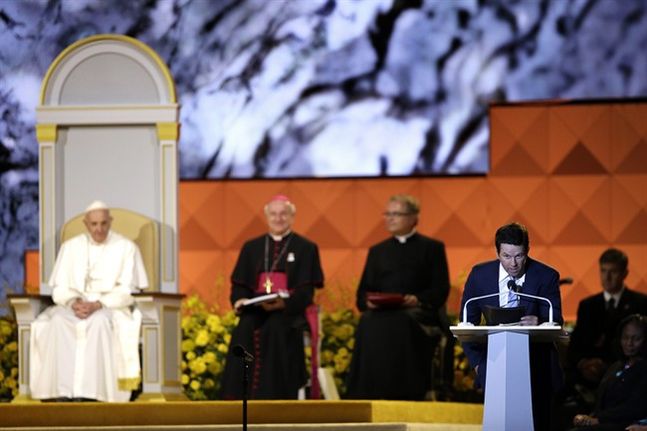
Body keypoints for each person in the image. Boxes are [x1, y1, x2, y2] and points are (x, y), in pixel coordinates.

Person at [30, 201, 148, 402]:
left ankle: (95, 394)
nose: (99, 229)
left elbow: (130, 290)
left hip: (110, 307)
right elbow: (59, 289)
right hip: (74, 306)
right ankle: (61, 392)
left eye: (103, 223)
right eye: (94, 224)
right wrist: (74, 301)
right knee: (58, 321)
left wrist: (98, 304)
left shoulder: (126, 247)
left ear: (110, 222)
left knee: (99, 322)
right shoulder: (70, 247)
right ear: (86, 224)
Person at [459, 222, 563, 431]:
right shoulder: (480, 276)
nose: (513, 263)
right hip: (494, 365)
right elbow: (466, 325)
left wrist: (541, 322)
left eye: (519, 256)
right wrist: (479, 364)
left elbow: (556, 319)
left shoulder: (546, 276)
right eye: (506, 256)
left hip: (537, 366)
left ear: (527, 251)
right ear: (497, 252)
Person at [346, 194, 451, 400]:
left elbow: (440, 289)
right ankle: (367, 394)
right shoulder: (377, 251)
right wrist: (367, 302)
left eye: (396, 214)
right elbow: (362, 292)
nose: (390, 219)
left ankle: (407, 393)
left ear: (413, 218)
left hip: (417, 313)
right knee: (367, 321)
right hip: (381, 312)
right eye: (388, 214)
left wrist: (417, 299)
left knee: (403, 321)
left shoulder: (432, 248)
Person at [220, 195, 324, 399]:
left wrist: (283, 304)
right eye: (274, 214)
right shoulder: (252, 247)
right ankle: (239, 395)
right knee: (245, 327)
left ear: (292, 217)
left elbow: (306, 292)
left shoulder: (306, 247)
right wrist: (239, 301)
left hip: (288, 312)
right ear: (266, 217)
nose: (278, 218)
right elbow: (240, 286)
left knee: (277, 327)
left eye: (284, 214)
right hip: (257, 310)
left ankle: (275, 395)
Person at [567, 249, 647, 404]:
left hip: (625, 373)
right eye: (603, 271)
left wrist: (610, 366)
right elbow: (575, 345)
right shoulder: (587, 305)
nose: (607, 277)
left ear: (625, 273)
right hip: (586, 374)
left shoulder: (641, 303)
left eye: (613, 271)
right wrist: (584, 363)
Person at [570, 314, 647, 431]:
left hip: (628, 424)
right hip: (604, 420)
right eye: (625, 337)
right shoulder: (617, 366)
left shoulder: (643, 368)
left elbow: (635, 407)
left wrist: (598, 419)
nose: (629, 343)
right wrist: (589, 417)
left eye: (636, 339)